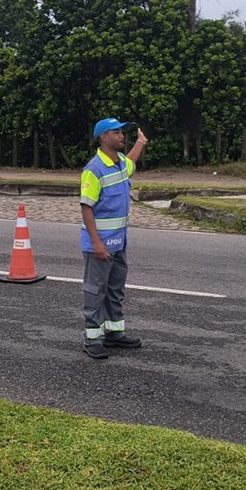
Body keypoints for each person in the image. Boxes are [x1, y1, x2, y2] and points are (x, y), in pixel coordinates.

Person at [79, 117, 147, 359]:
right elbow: (86, 207)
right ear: (103, 137)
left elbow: (131, 162)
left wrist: (140, 143)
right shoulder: (94, 169)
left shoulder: (119, 163)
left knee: (115, 289)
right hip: (100, 244)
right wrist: (96, 242)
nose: (121, 136)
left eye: (122, 132)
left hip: (119, 241)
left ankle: (114, 332)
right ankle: (92, 338)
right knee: (96, 290)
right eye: (116, 132)